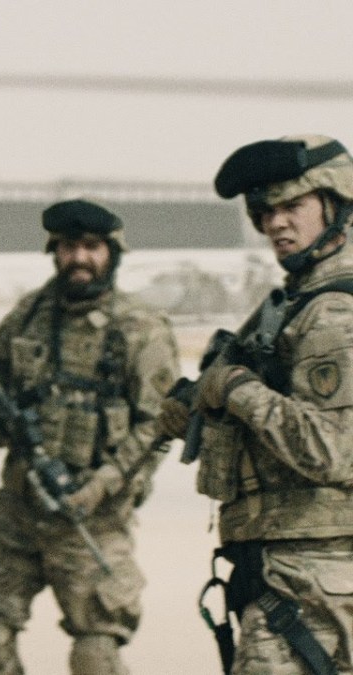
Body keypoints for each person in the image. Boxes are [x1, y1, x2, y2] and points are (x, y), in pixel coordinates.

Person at [158, 134, 353, 674]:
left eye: (294, 206)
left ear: (335, 202)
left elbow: (333, 451)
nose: (276, 224)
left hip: (312, 575)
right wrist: (196, 407)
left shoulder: (334, 312)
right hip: (288, 568)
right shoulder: (292, 304)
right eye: (265, 212)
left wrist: (238, 389)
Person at [0, 199, 180, 675]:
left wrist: (101, 485)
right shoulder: (29, 315)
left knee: (95, 655)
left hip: (94, 517)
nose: (79, 258)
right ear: (54, 251)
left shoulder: (140, 328)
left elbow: (159, 424)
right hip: (19, 510)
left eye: (91, 247)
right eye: (68, 247)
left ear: (112, 253)